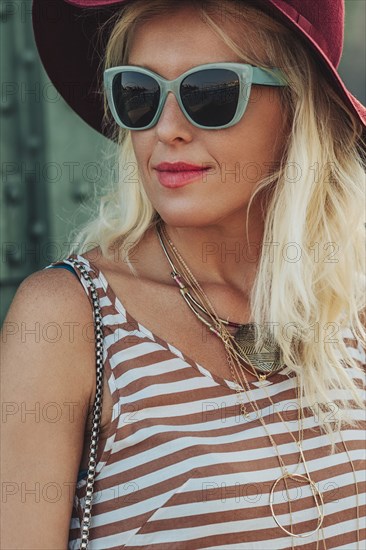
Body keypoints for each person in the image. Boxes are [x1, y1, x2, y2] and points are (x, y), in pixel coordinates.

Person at [1, 0, 365, 548]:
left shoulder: (351, 298)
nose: (167, 129)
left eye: (210, 93)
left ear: (297, 105)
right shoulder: (68, 320)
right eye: (139, 93)